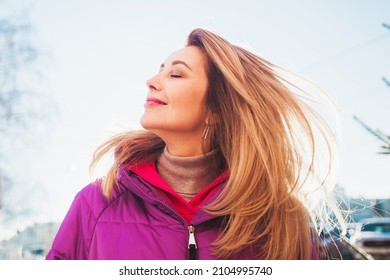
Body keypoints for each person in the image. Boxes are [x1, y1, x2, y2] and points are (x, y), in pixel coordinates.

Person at [46, 28, 342, 260]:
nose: (151, 80)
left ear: (216, 108)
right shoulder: (95, 204)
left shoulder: (281, 219)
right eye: (159, 70)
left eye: (175, 74)